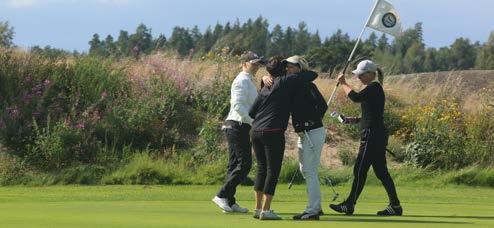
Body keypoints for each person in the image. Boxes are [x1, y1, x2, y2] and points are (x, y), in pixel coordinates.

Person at [329, 60, 402, 216]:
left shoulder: (374, 87)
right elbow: (370, 114)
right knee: (381, 172)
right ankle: (395, 206)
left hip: (372, 136)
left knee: (360, 170)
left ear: (371, 74)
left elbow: (355, 97)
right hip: (376, 134)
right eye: (358, 75)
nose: (359, 77)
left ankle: (349, 204)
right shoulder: (373, 89)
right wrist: (353, 119)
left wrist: (343, 83)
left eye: (361, 75)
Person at [249, 56, 318, 220]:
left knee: (261, 169)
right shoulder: (284, 81)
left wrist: (264, 78)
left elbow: (252, 112)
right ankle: (266, 210)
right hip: (273, 131)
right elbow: (311, 75)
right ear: (282, 70)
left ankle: (258, 208)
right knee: (273, 170)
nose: (288, 68)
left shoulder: (265, 87)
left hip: (255, 131)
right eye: (285, 67)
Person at [212, 51, 265, 213]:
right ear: (244, 63)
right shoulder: (241, 80)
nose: (256, 66)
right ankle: (221, 195)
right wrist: (253, 122)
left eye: (257, 63)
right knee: (244, 164)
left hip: (241, 126)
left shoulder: (249, 80)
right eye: (253, 63)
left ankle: (230, 200)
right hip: (237, 125)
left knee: (234, 164)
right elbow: (238, 106)